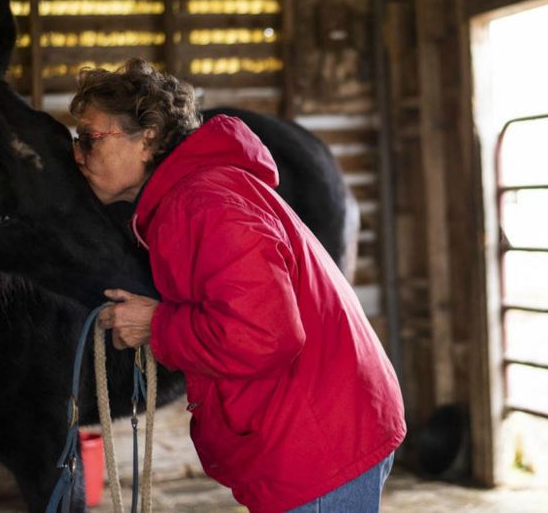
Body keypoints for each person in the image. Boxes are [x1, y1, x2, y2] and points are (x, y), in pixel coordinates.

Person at [70, 58, 406, 513]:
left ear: (147, 137)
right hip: (313, 429)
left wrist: (159, 325)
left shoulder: (203, 201)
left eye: (90, 138)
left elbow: (265, 333)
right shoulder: (194, 197)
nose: (79, 154)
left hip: (317, 443)